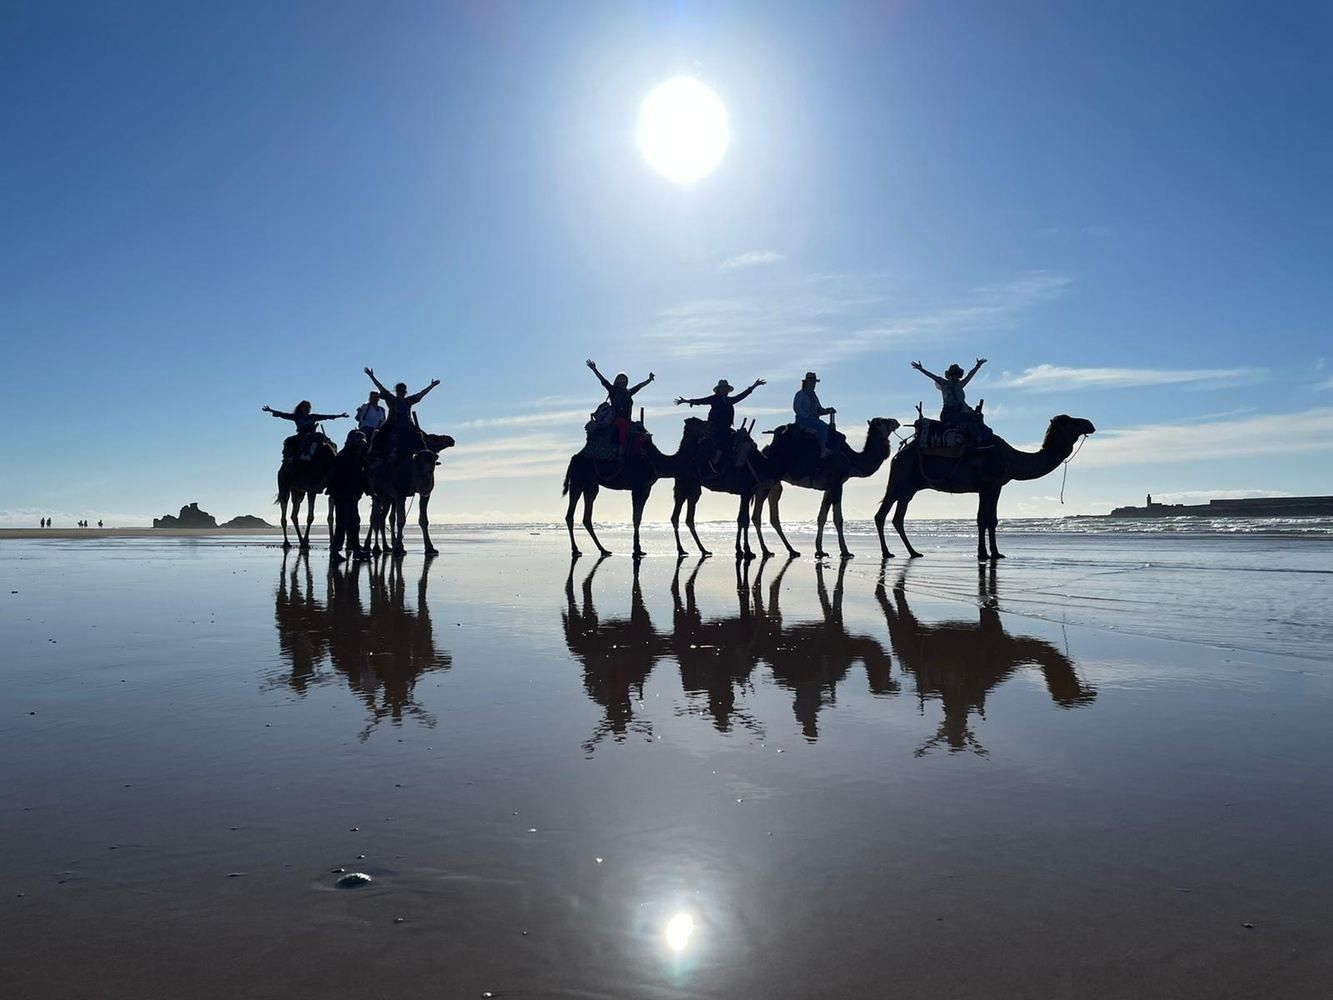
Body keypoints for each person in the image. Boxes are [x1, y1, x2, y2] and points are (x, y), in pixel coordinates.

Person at [675, 377, 766, 471]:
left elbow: (741, 396)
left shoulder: (729, 400)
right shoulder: (714, 399)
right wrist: (687, 401)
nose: (725, 390)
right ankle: (715, 461)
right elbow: (701, 401)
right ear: (719, 390)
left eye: (726, 388)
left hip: (726, 428)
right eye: (723, 388)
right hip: (715, 427)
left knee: (741, 439)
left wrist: (754, 386)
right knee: (723, 441)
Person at [363, 368, 440, 461]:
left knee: (420, 436)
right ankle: (373, 455)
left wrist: (431, 386)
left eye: (403, 391)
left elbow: (421, 394)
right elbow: (380, 387)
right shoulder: (391, 398)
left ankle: (426, 456)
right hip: (391, 424)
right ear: (396, 391)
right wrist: (371, 376)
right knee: (379, 435)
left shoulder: (408, 401)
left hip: (407, 425)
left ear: (405, 392)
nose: (401, 393)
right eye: (400, 391)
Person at [586, 359, 654, 457]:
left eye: (624, 379)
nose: (622, 381)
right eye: (620, 379)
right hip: (614, 420)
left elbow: (640, 386)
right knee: (623, 425)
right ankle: (621, 451)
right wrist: (594, 370)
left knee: (641, 433)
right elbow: (603, 380)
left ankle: (637, 455)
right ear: (616, 381)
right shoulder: (613, 390)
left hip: (628, 420)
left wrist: (649, 380)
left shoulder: (629, 392)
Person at [911, 357, 991, 441]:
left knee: (976, 417)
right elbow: (931, 376)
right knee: (969, 418)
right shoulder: (944, 383)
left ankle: (983, 435)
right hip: (947, 415)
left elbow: (970, 375)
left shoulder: (960, 384)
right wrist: (921, 369)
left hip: (958, 412)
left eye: (956, 375)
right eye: (954, 374)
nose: (955, 377)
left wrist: (977, 366)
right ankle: (978, 438)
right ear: (950, 375)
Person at [328, 430, 370, 562]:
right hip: (343, 494)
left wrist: (369, 492)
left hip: (351, 495)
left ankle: (356, 550)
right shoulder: (346, 455)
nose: (362, 444)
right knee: (343, 523)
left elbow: (361, 477)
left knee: (354, 522)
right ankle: (335, 551)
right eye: (359, 441)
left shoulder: (356, 456)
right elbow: (356, 476)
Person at [262, 401, 349, 463]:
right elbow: (282, 414)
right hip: (301, 435)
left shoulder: (314, 416)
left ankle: (334, 457)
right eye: (305, 407)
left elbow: (327, 416)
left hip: (314, 434)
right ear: (301, 408)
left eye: (308, 407)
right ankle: (288, 459)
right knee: (289, 441)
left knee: (329, 442)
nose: (307, 409)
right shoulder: (296, 416)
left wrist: (340, 415)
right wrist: (270, 410)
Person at [793, 371, 837, 456]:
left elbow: (819, 410)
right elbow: (797, 408)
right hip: (803, 420)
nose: (813, 384)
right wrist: (807, 415)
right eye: (812, 382)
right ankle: (823, 449)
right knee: (823, 426)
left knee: (827, 429)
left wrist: (828, 411)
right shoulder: (800, 394)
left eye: (814, 382)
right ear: (807, 382)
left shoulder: (814, 396)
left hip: (813, 420)